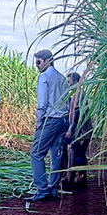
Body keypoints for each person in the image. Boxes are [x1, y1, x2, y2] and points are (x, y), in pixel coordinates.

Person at [26, 49, 70, 202]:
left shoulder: (44, 77)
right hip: (62, 120)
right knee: (56, 154)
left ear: (47, 60)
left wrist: (39, 121)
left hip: (50, 120)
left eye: (38, 62)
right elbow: (67, 101)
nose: (36, 65)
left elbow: (42, 103)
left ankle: (42, 189)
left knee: (36, 154)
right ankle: (52, 188)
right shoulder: (62, 78)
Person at [62, 72, 92, 189]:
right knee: (77, 153)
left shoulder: (78, 95)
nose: (67, 84)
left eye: (69, 81)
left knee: (79, 154)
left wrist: (70, 129)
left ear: (75, 82)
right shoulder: (77, 94)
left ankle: (81, 179)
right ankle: (76, 178)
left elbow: (78, 114)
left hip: (82, 131)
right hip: (83, 130)